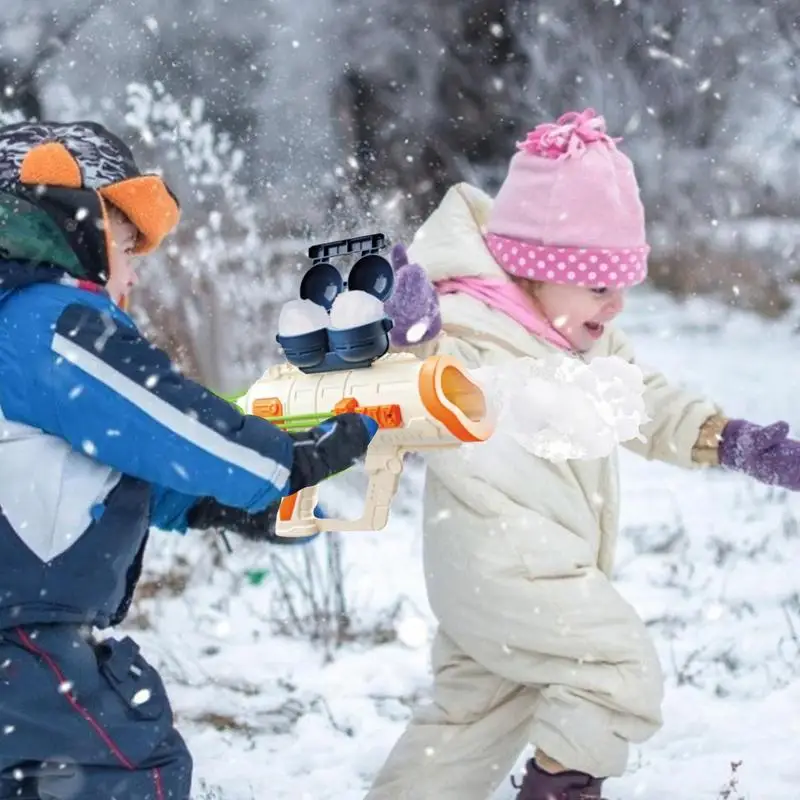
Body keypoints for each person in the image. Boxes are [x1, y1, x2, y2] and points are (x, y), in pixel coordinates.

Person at [367, 108, 800, 800]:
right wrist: (408, 341)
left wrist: (735, 439)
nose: (618, 304)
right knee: (616, 667)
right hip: (506, 568)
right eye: (599, 284)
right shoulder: (470, 331)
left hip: (504, 578)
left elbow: (645, 402)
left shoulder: (581, 342)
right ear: (537, 272)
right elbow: (416, 401)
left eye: (622, 283)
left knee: (464, 730)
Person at [0, 121, 377, 800]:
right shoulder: (46, 320)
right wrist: (282, 461)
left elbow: (88, 469)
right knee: (119, 774)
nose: (139, 267)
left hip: (22, 640)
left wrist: (211, 503)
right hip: (24, 643)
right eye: (124, 243)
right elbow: (164, 416)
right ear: (70, 222)